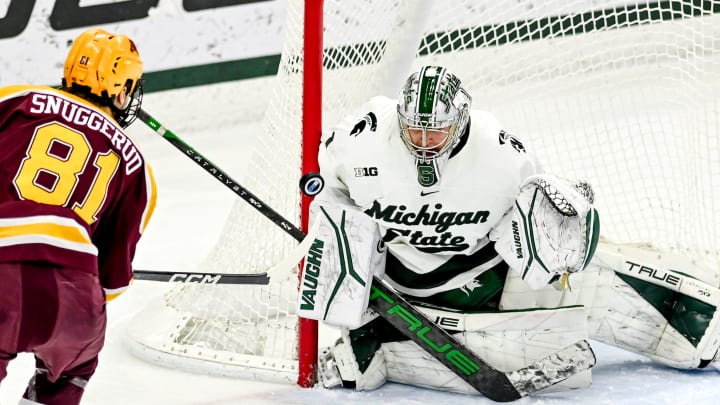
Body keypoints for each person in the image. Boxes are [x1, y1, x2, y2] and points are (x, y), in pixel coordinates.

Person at [298, 65, 720, 397]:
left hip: (482, 275)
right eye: (415, 130)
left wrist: (557, 237)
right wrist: (343, 262)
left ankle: (705, 334)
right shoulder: (357, 140)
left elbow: (534, 229)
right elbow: (329, 198)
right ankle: (378, 340)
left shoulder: (502, 155)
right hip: (395, 288)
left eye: (437, 131)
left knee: (588, 286)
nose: (425, 142)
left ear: (460, 120)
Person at [0, 28, 156, 405]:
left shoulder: (13, 101)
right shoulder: (138, 169)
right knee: (72, 369)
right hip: (74, 299)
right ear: (123, 90)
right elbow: (113, 283)